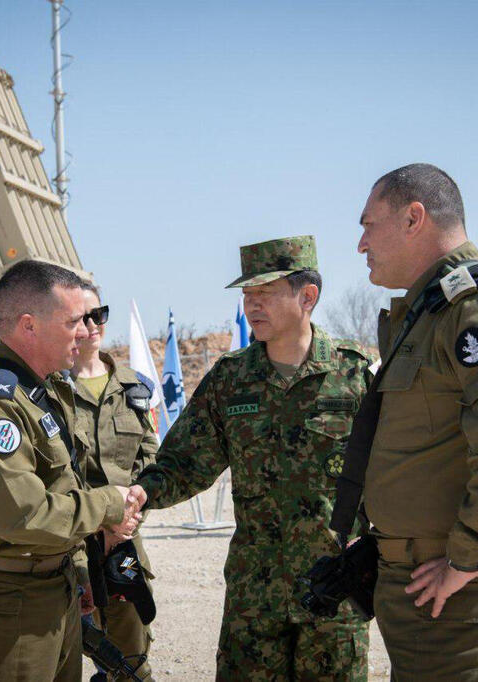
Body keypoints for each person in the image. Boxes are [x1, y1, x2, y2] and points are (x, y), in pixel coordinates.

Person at [133, 236, 374, 680]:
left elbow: (393, 471)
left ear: (308, 296)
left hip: (334, 594)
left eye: (264, 294)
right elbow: (186, 461)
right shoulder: (231, 378)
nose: (251, 306)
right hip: (254, 597)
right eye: (247, 296)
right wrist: (140, 495)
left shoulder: (355, 375)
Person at [355, 163, 478, 680]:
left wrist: (468, 558)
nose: (361, 244)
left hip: (466, 597)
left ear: (413, 218)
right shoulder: (431, 311)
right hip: (427, 592)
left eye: (368, 225)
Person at [0, 259, 145, 682]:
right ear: (29, 326)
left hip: (53, 592)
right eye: (73, 322)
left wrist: (80, 570)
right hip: (3, 608)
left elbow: (63, 486)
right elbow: (23, 516)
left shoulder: (42, 390)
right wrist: (109, 503)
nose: (86, 332)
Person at [71, 283, 159, 681]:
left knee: (130, 659)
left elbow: (149, 460)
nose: (92, 325)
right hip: (69, 544)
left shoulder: (133, 387)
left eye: (99, 315)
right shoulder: (47, 390)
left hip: (123, 541)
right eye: (80, 318)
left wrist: (125, 518)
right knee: (68, 650)